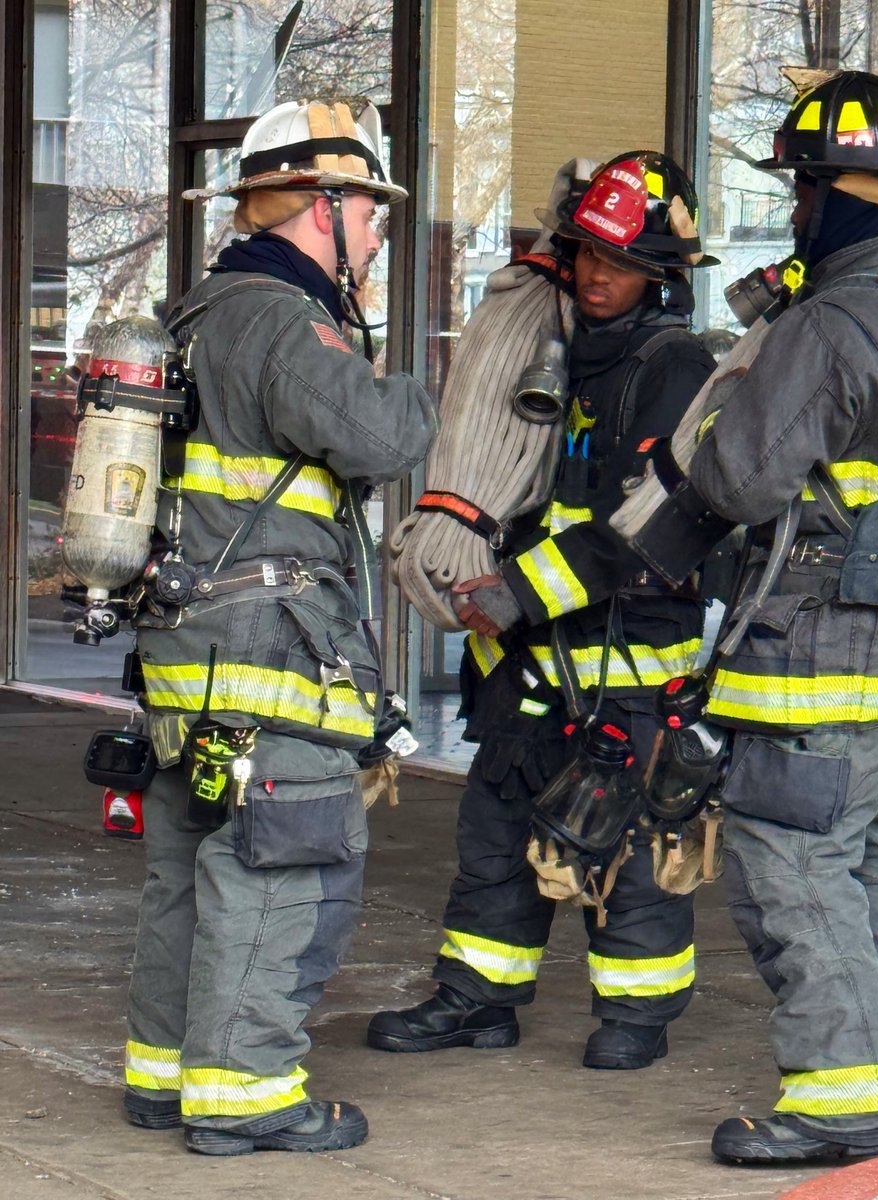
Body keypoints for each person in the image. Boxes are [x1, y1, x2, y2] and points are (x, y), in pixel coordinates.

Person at [614, 72, 878, 1162]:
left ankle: (838, 1101)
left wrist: (701, 434)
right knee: (875, 867)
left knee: (793, 865)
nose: (792, 210)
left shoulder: (830, 321)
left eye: (801, 189)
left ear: (833, 195)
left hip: (826, 654)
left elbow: (737, 481)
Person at [121, 99, 436, 1156]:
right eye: (373, 218)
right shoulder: (278, 320)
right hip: (268, 655)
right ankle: (246, 1094)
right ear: (323, 207)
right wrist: (449, 386)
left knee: (194, 861)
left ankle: (163, 1076)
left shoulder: (193, 312)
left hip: (190, 659)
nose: (380, 238)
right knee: (280, 864)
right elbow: (379, 439)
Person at [367, 152, 718, 1071]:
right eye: (584, 255)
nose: (596, 275)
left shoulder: (677, 369)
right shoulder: (549, 356)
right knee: (496, 834)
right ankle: (476, 998)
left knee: (632, 847)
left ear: (664, 274)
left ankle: (637, 1015)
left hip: (631, 673)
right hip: (528, 664)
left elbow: (647, 527)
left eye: (619, 262)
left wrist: (518, 590)